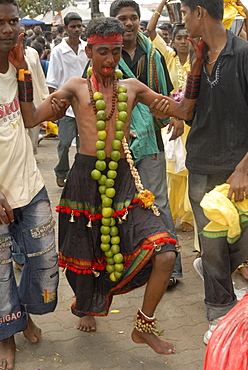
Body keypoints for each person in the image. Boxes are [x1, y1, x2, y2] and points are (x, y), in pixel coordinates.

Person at [41, 16, 202, 355]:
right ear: (89, 50)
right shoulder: (74, 88)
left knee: (165, 250)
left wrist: (197, 67)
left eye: (115, 52)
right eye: (102, 52)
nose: (110, 60)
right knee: (85, 255)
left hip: (124, 181)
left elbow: (183, 110)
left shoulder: (132, 88)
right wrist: (22, 77)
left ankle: (143, 325)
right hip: (85, 180)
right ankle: (86, 307)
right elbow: (31, 118)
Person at [177, 0, 248, 345]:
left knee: (239, 239)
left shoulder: (244, 54)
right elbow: (190, 114)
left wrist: (243, 167)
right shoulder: (197, 59)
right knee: (214, 241)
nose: (182, 20)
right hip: (202, 164)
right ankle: (219, 314)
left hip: (239, 170)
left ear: (199, 13)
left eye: (185, 12)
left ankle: (211, 268)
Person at [0, 0, 65, 368]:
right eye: (0, 23)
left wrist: (59, 100)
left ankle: (24, 314)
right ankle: (6, 335)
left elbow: (30, 118)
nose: (8, 30)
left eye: (12, 22)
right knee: (1, 270)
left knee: (43, 263)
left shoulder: (22, 64)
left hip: (29, 184)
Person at [109, 0, 183, 286]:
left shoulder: (153, 55)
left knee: (159, 203)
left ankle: (171, 269)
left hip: (151, 141)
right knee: (122, 205)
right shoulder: (105, 54)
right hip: (117, 143)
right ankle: (134, 267)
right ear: (114, 21)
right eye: (123, 18)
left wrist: (174, 118)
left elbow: (166, 95)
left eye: (133, 18)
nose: (129, 23)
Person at [148, 2, 194, 233]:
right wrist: (162, 4)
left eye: (187, 37)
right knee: (172, 170)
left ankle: (188, 217)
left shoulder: (197, 58)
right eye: (179, 38)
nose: (183, 41)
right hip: (172, 120)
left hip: (192, 123)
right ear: (173, 41)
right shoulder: (167, 56)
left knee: (189, 169)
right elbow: (150, 31)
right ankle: (172, 213)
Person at [46, 12, 88, 188]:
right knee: (64, 143)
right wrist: (53, 107)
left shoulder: (88, 49)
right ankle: (61, 171)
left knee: (83, 145)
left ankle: (81, 174)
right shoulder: (58, 51)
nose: (77, 29)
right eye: (73, 26)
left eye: (79, 26)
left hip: (86, 104)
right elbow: (52, 81)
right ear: (66, 29)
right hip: (66, 106)